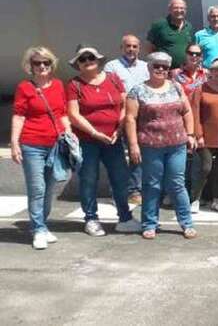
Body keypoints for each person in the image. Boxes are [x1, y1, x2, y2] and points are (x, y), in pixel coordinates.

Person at [66, 45, 140, 237]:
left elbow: (125, 105)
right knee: (89, 179)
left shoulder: (113, 79)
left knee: (120, 178)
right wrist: (93, 132)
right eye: (83, 59)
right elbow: (73, 114)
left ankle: (124, 217)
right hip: (87, 140)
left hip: (113, 139)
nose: (88, 61)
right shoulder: (74, 84)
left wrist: (119, 128)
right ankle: (91, 219)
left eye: (91, 57)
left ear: (98, 60)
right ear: (78, 64)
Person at [125, 52, 197, 239]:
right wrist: (133, 145)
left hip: (177, 145)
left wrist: (190, 134)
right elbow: (130, 119)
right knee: (151, 185)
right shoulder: (137, 90)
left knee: (177, 184)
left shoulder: (176, 87)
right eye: (156, 66)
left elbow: (187, 111)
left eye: (164, 67)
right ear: (149, 67)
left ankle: (186, 223)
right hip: (150, 146)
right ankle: (149, 223)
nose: (160, 69)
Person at [11, 47, 72, 249]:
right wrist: (14, 143)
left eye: (46, 62)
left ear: (51, 64)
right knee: (37, 188)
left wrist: (69, 133)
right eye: (37, 63)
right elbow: (19, 115)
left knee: (49, 188)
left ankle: (42, 225)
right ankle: (38, 229)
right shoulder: (24, 88)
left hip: (55, 144)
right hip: (32, 144)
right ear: (31, 66)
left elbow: (62, 113)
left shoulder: (57, 85)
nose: (42, 66)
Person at [104, 34, 151, 204]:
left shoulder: (146, 67)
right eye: (128, 46)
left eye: (134, 46)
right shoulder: (112, 67)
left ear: (139, 48)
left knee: (136, 154)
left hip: (140, 117)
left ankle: (134, 190)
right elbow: (109, 91)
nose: (131, 49)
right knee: (118, 156)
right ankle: (117, 191)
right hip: (118, 116)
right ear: (122, 48)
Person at [189, 58, 218, 214]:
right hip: (205, 137)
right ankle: (195, 199)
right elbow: (194, 113)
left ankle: (216, 200)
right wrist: (198, 134)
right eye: (217, 69)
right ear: (211, 71)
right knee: (205, 168)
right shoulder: (200, 89)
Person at [147, 0, 193, 69]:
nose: (179, 10)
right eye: (176, 8)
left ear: (186, 10)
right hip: (164, 70)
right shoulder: (159, 25)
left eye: (182, 8)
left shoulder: (189, 27)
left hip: (184, 71)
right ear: (169, 9)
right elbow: (150, 47)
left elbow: (190, 47)